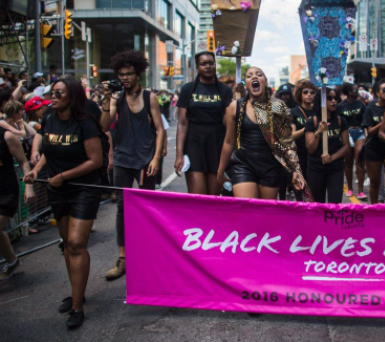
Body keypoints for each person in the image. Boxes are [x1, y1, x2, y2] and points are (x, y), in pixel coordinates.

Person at [23, 78, 103, 328]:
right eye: (52, 93)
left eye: (59, 93)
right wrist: (37, 170)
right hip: (57, 191)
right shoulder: (49, 118)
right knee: (67, 244)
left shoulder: (85, 124)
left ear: (73, 97)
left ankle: (77, 308)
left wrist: (62, 176)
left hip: (83, 189)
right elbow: (50, 147)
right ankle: (76, 293)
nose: (53, 97)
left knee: (77, 243)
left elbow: (95, 160)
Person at [100, 50, 165, 281]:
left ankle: (148, 253)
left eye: (129, 74)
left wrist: (156, 157)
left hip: (145, 160)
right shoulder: (116, 100)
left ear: (138, 74)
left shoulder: (150, 98)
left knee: (148, 206)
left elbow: (160, 129)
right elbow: (105, 126)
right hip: (122, 159)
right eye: (121, 74)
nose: (125, 78)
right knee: (122, 208)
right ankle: (123, 258)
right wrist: (107, 100)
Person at [217, 67, 307, 199]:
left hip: (270, 167)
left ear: (265, 81)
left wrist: (295, 170)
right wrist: (220, 170)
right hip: (243, 165)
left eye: (259, 75)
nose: (254, 77)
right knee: (246, 211)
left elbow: (286, 142)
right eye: (249, 76)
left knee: (264, 214)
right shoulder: (234, 107)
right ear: (246, 84)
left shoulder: (278, 107)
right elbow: (229, 141)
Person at [174, 51, 233, 195]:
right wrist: (179, 155)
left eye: (211, 63)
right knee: (197, 198)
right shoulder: (188, 89)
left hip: (216, 145)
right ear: (197, 67)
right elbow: (182, 124)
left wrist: (236, 103)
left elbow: (228, 123)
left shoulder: (225, 90)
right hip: (194, 145)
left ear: (215, 65)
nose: (208, 66)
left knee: (213, 198)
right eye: (203, 63)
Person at [0, 101, 35, 281]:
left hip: (6, 192)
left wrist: (28, 187)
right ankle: (12, 261)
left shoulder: (7, 136)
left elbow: (23, 161)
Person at [304, 88, 350, 203]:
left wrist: (331, 158)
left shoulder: (341, 121)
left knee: (335, 205)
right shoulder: (312, 121)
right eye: (329, 98)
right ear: (322, 101)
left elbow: (346, 146)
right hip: (316, 169)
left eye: (335, 98)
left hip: (336, 169)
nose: (333, 101)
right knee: (317, 205)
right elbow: (310, 149)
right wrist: (318, 132)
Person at [362, 78, 385, 204]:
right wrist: (384, 121)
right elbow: (370, 131)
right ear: (377, 93)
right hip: (374, 148)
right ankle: (374, 207)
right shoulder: (371, 108)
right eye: (384, 90)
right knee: (374, 182)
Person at [338, 83, 367, 199]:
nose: (357, 91)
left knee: (360, 160)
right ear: (348, 91)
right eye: (355, 89)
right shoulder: (341, 106)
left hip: (359, 132)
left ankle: (360, 190)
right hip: (347, 134)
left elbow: (365, 119)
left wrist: (366, 132)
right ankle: (350, 188)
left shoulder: (360, 104)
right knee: (348, 163)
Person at [290, 79, 318, 181]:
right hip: (299, 156)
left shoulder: (318, 112)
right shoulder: (294, 112)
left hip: (315, 156)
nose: (309, 94)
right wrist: (307, 128)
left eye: (312, 92)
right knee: (301, 189)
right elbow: (291, 135)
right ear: (300, 94)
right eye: (305, 92)